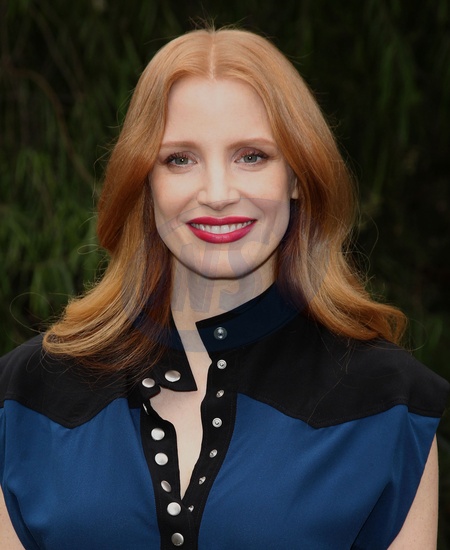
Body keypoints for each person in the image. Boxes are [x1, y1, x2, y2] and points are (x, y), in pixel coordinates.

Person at [0, 26, 448, 550]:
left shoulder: (388, 406)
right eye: (180, 159)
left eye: (251, 156)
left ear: (298, 175)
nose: (217, 193)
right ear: (144, 180)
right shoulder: (23, 399)